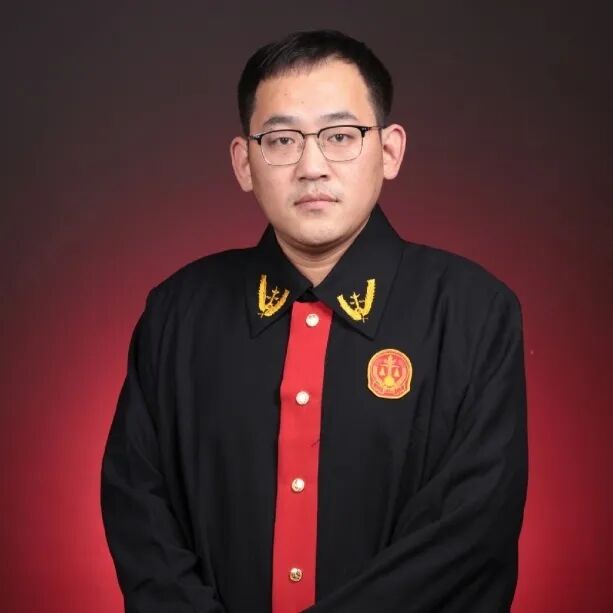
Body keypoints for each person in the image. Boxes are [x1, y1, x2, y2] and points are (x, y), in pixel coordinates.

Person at [101, 29, 528, 613]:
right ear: (243, 163)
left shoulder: (472, 312)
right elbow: (139, 514)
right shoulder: (177, 313)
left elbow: (469, 538)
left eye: (340, 136)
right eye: (281, 140)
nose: (311, 166)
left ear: (391, 151)